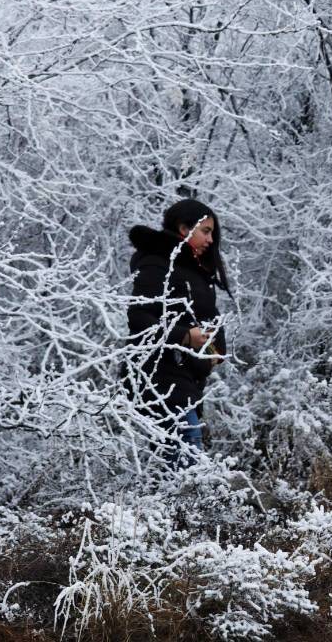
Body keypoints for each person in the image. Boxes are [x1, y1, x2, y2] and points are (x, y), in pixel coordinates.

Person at [127, 199, 228, 466]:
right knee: (186, 452)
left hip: (186, 377)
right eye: (205, 231)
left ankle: (174, 506)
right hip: (160, 376)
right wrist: (185, 336)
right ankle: (179, 507)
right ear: (184, 228)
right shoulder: (158, 265)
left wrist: (216, 351)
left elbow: (204, 315)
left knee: (183, 452)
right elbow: (138, 317)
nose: (210, 239)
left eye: (212, 233)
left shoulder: (194, 270)